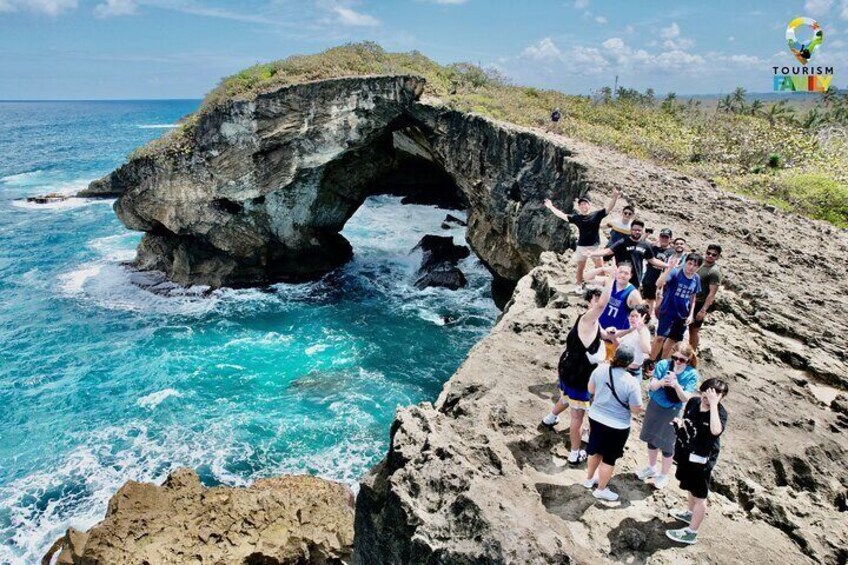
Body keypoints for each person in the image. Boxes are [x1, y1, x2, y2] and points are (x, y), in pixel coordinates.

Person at [541, 275, 614, 465]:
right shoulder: (587, 318)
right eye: (596, 298)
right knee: (577, 416)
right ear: (590, 300)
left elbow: (606, 334)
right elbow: (601, 306)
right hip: (579, 375)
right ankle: (574, 453)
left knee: (566, 396)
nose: (599, 302)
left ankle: (550, 418)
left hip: (570, 370)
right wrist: (611, 278)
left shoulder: (592, 322)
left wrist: (630, 331)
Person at [666, 378, 730, 545]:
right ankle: (689, 512)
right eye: (706, 392)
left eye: (715, 395)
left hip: (702, 460)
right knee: (689, 486)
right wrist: (679, 424)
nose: (708, 397)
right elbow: (686, 418)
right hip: (686, 453)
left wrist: (714, 405)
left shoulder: (719, 413)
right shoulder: (694, 402)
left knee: (700, 496)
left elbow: (716, 431)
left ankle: (691, 533)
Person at [583, 346, 644, 501]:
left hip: (596, 416)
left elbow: (590, 389)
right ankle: (601, 489)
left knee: (595, 450)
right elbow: (636, 409)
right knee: (609, 459)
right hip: (617, 425)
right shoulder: (631, 382)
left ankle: (589, 479)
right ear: (630, 363)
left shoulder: (600, 369)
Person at [636, 343, 700, 489]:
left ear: (689, 359)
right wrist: (662, 382)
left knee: (667, 444)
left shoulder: (691, 374)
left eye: (682, 360)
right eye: (675, 358)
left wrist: (676, 385)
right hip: (655, 406)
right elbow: (651, 386)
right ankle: (652, 467)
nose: (677, 362)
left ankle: (664, 475)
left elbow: (685, 398)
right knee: (651, 438)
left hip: (673, 410)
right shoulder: (663, 364)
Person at [545, 188, 621, 294]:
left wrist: (615, 197)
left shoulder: (596, 214)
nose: (583, 206)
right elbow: (562, 216)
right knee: (581, 267)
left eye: (585, 204)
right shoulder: (577, 218)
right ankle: (578, 285)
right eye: (581, 204)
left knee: (600, 267)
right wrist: (551, 207)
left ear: (589, 205)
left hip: (594, 246)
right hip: (582, 246)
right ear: (579, 207)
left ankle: (604, 286)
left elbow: (609, 208)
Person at [650, 253, 703, 361]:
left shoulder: (696, 278)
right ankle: (650, 361)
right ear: (686, 262)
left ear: (698, 267)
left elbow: (693, 298)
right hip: (668, 310)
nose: (691, 267)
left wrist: (691, 314)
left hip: (683, 314)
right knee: (660, 337)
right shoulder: (676, 272)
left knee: (673, 339)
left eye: (695, 265)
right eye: (689, 263)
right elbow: (658, 283)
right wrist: (668, 269)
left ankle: (662, 363)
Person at [587, 263, 643, 360]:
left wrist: (625, 334)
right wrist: (603, 268)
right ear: (616, 272)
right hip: (597, 331)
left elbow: (641, 316)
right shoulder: (608, 282)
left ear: (631, 276)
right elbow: (587, 277)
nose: (622, 275)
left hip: (614, 337)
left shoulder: (633, 294)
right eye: (621, 272)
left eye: (626, 273)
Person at [590, 220, 668, 288]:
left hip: (635, 279)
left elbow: (653, 260)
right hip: (620, 276)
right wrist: (592, 253)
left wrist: (668, 265)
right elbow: (608, 251)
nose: (637, 232)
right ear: (631, 230)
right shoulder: (623, 242)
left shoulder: (645, 245)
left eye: (639, 230)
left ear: (642, 231)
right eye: (634, 230)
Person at [689, 244, 722, 350]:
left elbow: (712, 293)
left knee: (693, 330)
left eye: (714, 255)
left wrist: (703, 310)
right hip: (688, 298)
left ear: (717, 257)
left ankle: (692, 353)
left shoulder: (714, 272)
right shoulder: (700, 263)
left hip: (699, 303)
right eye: (708, 253)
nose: (710, 256)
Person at [640, 228, 673, 315]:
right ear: (659, 237)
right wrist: (647, 234)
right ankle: (647, 318)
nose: (664, 239)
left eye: (666, 237)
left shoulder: (672, 252)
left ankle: (652, 319)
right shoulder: (654, 248)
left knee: (658, 303)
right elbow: (641, 242)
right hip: (649, 278)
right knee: (648, 300)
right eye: (662, 236)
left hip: (663, 282)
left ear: (670, 239)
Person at [616, 304, 652, 379]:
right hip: (619, 367)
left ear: (644, 318)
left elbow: (646, 349)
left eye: (636, 316)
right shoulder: (627, 328)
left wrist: (640, 331)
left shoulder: (644, 331)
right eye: (631, 316)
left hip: (633, 372)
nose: (633, 319)